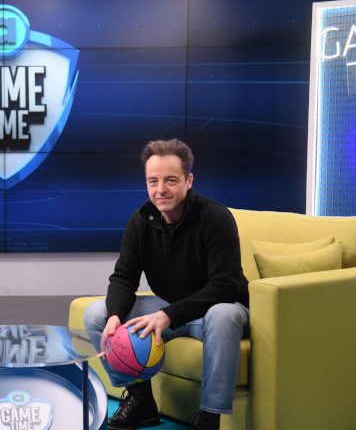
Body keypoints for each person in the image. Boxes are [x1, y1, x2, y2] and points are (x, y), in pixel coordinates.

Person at [83, 139, 249, 430]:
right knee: (97, 314)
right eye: (153, 181)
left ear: (188, 181)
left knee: (224, 313)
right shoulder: (140, 221)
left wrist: (168, 315)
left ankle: (210, 417)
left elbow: (226, 286)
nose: (161, 189)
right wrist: (115, 315)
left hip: (215, 310)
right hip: (168, 307)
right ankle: (141, 400)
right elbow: (123, 277)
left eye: (171, 180)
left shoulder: (215, 217)